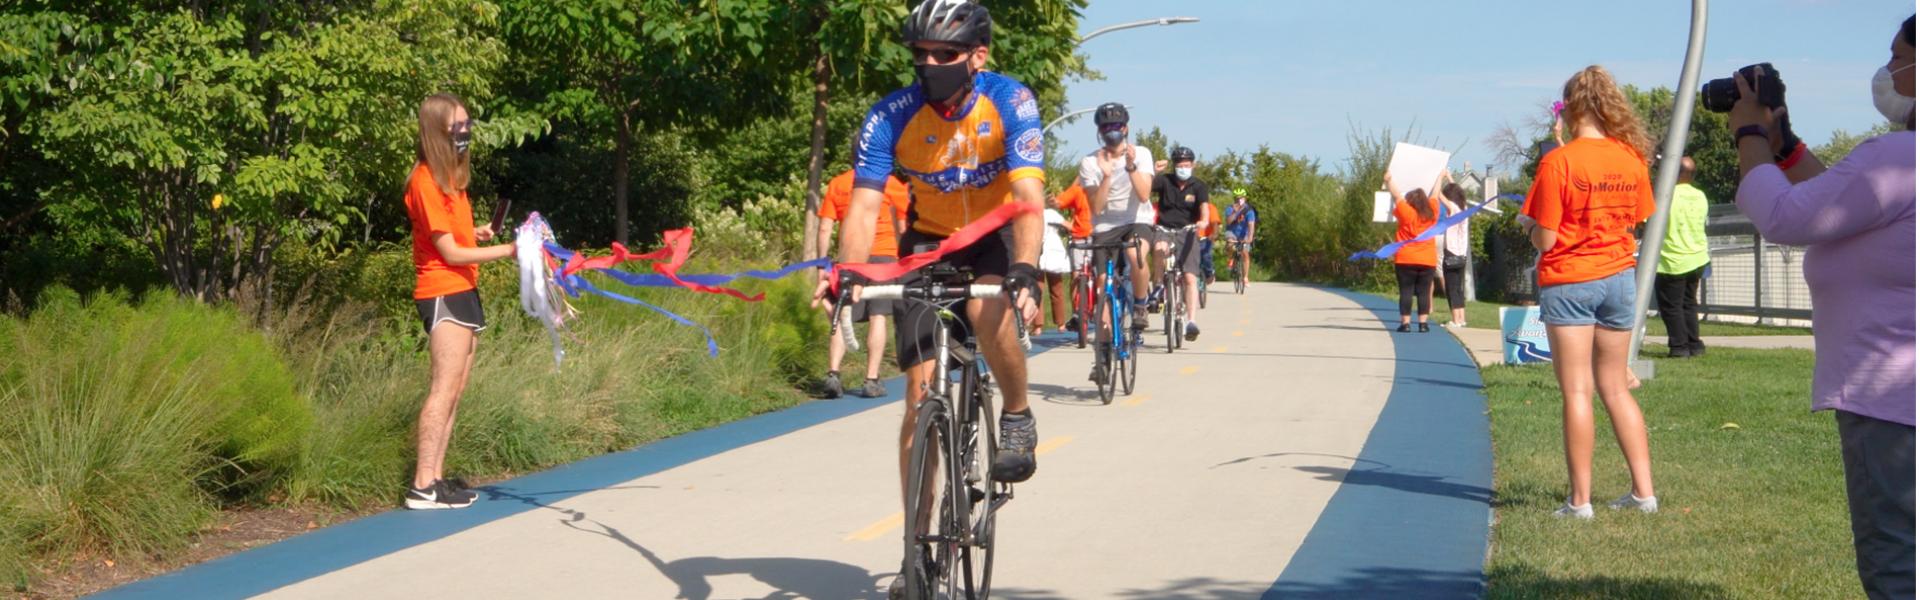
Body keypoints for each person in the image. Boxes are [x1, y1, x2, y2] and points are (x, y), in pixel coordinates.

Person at [817, 3, 1046, 593]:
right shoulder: (890, 115)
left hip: (995, 236)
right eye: (920, 55)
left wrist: (1024, 266)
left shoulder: (1010, 102)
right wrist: (848, 273)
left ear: (977, 57)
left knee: (985, 308)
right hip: (928, 245)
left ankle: (1017, 415)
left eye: (944, 55)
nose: (930, 65)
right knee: (918, 401)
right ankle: (915, 547)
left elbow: (1027, 194)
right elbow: (864, 206)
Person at [1727, 16, 1914, 598]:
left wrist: (1749, 136)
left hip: (1891, 404)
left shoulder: (1897, 158)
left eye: (1898, 55)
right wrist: (1786, 148)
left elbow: (1787, 218)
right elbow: (1835, 205)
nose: (1887, 71)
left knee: (1898, 564)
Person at [1519, 65, 1658, 520]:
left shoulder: (1558, 161)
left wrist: (1531, 229)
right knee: (1616, 387)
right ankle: (1644, 493)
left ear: (1569, 107)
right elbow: (1635, 217)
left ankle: (1580, 501)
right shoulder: (1631, 157)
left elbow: (1548, 239)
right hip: (1619, 278)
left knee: (1577, 391)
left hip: (1571, 278)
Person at [403, 93, 516, 510]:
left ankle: (435, 478)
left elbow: (455, 242)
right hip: (442, 290)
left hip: (464, 289)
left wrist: (480, 233)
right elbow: (447, 254)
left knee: (456, 389)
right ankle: (421, 485)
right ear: (437, 130)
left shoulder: (451, 182)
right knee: (442, 388)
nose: (465, 132)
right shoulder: (425, 182)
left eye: (468, 124)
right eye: (457, 126)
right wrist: (509, 252)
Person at [816, 169, 911, 398]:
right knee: (878, 316)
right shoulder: (892, 184)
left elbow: (825, 227)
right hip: (884, 259)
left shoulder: (837, 184)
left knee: (841, 313)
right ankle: (871, 379)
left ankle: (833, 373)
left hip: (850, 259)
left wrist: (822, 266)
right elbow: (903, 227)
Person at [1079, 101, 1155, 379]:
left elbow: (1145, 195)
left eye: (1117, 127)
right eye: (1106, 127)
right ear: (1099, 131)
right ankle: (1101, 359)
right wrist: (1107, 175)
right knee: (1103, 291)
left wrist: (1131, 167)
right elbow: (1096, 208)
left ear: (1126, 129)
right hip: (1105, 226)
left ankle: (1139, 304)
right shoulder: (1090, 163)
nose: (1113, 132)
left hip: (1137, 220)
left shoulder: (1142, 154)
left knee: (1136, 256)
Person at [1150, 146, 1210, 341]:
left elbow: (1204, 209)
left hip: (1188, 231)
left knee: (1190, 277)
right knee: (1159, 249)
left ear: (1192, 165)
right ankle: (1159, 287)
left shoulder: (1198, 186)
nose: (1183, 168)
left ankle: (1191, 322)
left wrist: (1203, 222)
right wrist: (1155, 170)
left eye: (1186, 164)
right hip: (1164, 228)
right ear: (1174, 166)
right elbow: (1144, 187)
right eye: (1179, 165)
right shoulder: (1165, 181)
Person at [1654, 156, 1710, 358]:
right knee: (1689, 303)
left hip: (1673, 259)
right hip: (1697, 257)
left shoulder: (1665, 195)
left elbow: (1645, 219)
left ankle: (1679, 347)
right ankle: (1695, 344)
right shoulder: (1700, 195)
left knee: (1671, 306)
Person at [1384, 170, 1444, 333]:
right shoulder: (1432, 213)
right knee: (1424, 292)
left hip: (1405, 258)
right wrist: (1439, 177)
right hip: (1427, 259)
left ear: (1411, 201)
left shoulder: (1407, 213)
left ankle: (1406, 324)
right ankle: (1423, 324)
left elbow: (1397, 196)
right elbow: (1435, 194)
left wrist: (1389, 180)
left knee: (1406, 291)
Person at [1053, 182, 1093, 333]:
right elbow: (1060, 202)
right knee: (1077, 274)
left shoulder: (1105, 187)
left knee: (1100, 272)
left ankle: (1100, 305)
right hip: (1079, 236)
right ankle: (1077, 312)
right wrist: (1052, 201)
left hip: (1099, 235)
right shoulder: (1077, 190)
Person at [1437, 181, 1472, 328]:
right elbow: (1454, 188)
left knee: (1452, 288)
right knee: (1458, 288)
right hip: (1462, 254)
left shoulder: (1453, 209)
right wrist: (1449, 178)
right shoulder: (1465, 209)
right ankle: (1461, 318)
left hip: (1451, 252)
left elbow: (1438, 195)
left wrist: (1437, 178)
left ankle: (1455, 319)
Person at [1224, 190, 1257, 288]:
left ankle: (1245, 277)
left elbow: (1251, 225)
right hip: (1232, 232)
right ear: (1234, 199)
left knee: (1245, 254)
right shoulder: (1229, 209)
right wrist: (1235, 211)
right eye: (1237, 198)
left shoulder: (1249, 211)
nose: (1239, 200)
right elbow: (1229, 222)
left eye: (1241, 198)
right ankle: (1230, 259)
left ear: (1245, 199)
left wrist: (1250, 237)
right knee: (1230, 244)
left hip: (1244, 234)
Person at [1198, 199, 1220, 289]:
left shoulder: (1210, 207)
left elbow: (1214, 222)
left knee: (1206, 256)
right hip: (1191, 237)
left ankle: (1209, 273)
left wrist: (1214, 234)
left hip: (1205, 237)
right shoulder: (1188, 206)